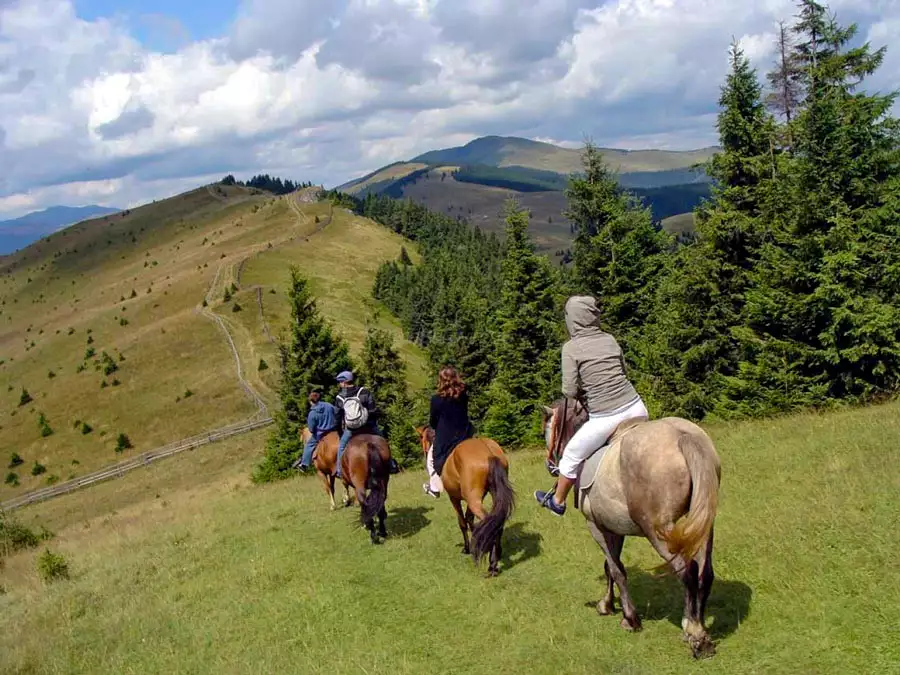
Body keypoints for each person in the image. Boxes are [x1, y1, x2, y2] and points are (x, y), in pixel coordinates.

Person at [535, 295, 649, 516]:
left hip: (607, 416)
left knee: (569, 458)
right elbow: (624, 371)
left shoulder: (571, 348)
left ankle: (557, 502)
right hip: (637, 407)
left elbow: (568, 391)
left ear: (572, 320)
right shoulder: (609, 339)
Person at [424, 366, 474, 498]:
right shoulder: (463, 395)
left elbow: (433, 422)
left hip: (446, 437)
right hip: (465, 433)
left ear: (441, 380)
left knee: (430, 459)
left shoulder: (436, 399)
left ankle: (434, 488)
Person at [333, 371, 380, 479]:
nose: (340, 384)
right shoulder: (364, 391)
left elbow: (337, 417)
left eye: (340, 382)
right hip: (367, 426)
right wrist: (371, 423)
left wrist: (340, 432)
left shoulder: (340, 397)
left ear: (344, 382)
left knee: (341, 447)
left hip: (351, 429)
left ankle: (340, 471)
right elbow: (372, 409)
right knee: (382, 439)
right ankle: (391, 464)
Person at [292, 390, 337, 471]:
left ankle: (304, 464)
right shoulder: (329, 405)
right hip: (334, 431)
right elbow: (337, 413)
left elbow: (311, 429)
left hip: (321, 434)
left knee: (309, 445)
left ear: (311, 401)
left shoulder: (312, 413)